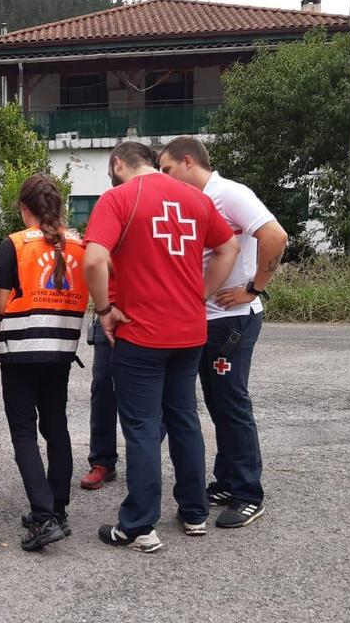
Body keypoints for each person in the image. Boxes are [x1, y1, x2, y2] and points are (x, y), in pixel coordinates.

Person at [83, 141, 240, 554]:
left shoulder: (118, 199)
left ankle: (138, 526)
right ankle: (194, 513)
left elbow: (94, 261)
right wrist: (201, 294)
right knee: (184, 418)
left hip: (141, 333)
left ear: (118, 163)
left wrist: (104, 309)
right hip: (190, 332)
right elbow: (229, 248)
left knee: (141, 427)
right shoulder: (195, 198)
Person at [159, 137, 288, 528]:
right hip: (206, 318)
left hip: (233, 318)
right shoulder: (194, 201)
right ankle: (228, 481)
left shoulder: (230, 193)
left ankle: (249, 493)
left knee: (231, 402)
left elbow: (276, 236)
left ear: (187, 161)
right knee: (217, 402)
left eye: (166, 169)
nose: (164, 178)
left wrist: (255, 286)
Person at [0, 174, 89, 551]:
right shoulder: (79, 245)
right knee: (56, 426)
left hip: (21, 352)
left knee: (23, 432)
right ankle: (58, 507)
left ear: (24, 207)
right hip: (61, 351)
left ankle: (44, 516)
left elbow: (0, 306)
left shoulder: (15, 244)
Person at [79, 146, 161, 491]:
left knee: (150, 395)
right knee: (103, 388)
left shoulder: (152, 204)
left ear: (117, 163)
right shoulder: (114, 202)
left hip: (144, 312)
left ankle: (145, 458)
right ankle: (102, 461)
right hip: (110, 309)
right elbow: (94, 252)